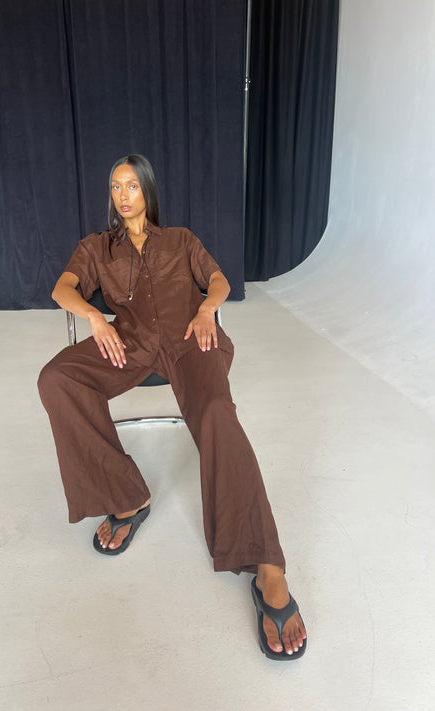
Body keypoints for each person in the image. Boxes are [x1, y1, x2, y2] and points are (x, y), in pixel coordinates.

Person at [38, 154, 307, 660]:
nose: (123, 195)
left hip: (191, 342)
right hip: (131, 343)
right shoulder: (97, 247)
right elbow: (62, 288)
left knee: (217, 414)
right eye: (115, 186)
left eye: (132, 186)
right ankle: (125, 496)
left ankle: (267, 564)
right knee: (57, 379)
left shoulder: (181, 240)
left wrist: (206, 309)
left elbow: (219, 280)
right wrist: (94, 317)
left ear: (148, 191)